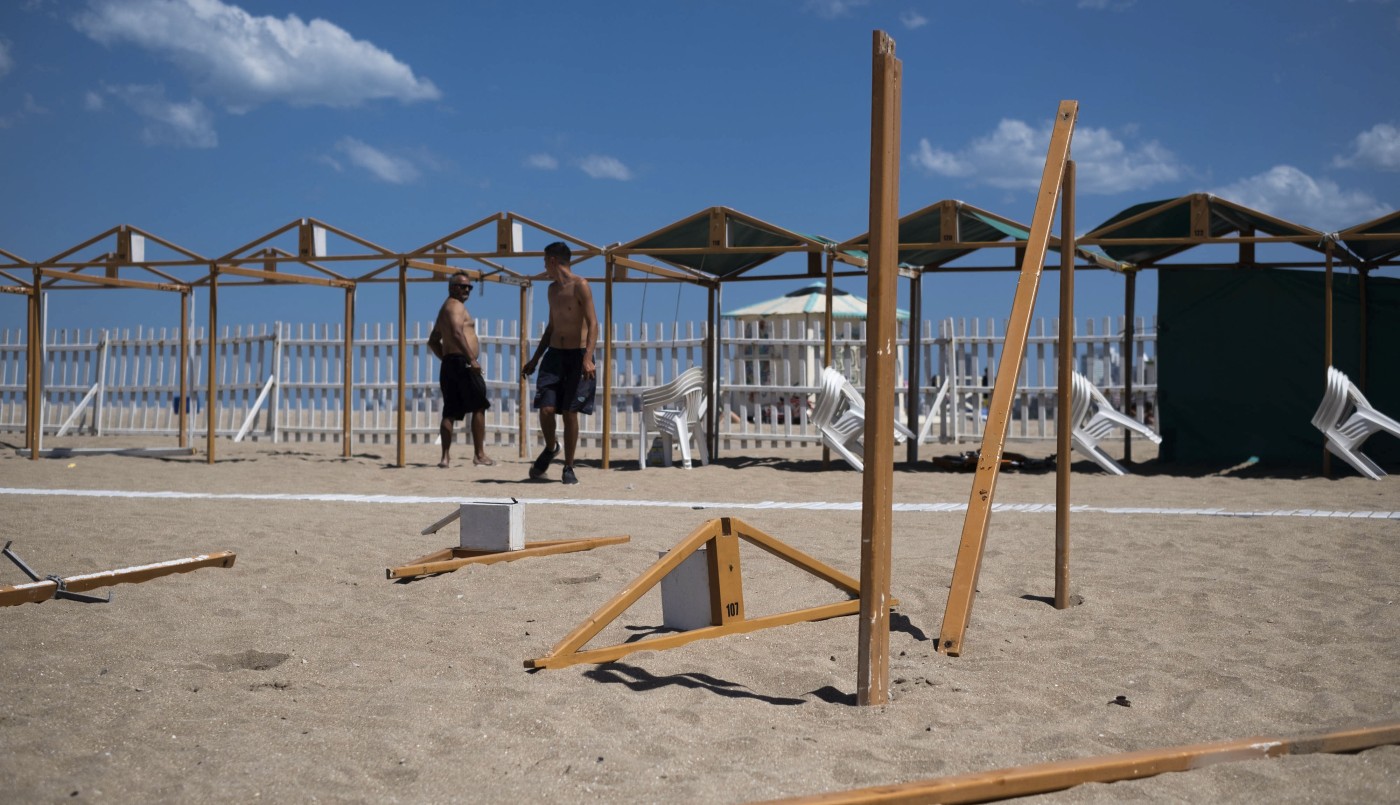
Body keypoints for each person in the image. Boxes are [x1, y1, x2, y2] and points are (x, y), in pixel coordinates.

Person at [521, 242, 598, 484]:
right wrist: (535, 358)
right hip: (554, 354)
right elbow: (552, 326)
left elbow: (594, 324)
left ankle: (568, 466)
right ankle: (552, 446)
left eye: (545, 261)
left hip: (577, 356)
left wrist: (587, 357)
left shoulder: (580, 285)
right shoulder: (552, 290)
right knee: (545, 410)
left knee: (569, 412)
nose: (544, 266)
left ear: (553, 261)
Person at [428, 272, 493, 469]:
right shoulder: (455, 306)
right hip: (463, 363)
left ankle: (445, 458)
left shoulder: (444, 309)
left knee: (450, 410)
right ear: (452, 287)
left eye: (469, 287)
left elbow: (432, 341)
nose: (467, 290)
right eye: (463, 286)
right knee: (479, 405)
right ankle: (479, 455)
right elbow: (457, 332)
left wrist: (447, 358)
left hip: (451, 363)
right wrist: (471, 359)